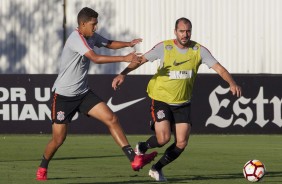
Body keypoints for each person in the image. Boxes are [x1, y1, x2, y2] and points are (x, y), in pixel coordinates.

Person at [112, 17, 242, 182]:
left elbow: (219, 68)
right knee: (164, 139)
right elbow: (140, 60)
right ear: (175, 32)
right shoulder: (164, 47)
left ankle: (156, 168)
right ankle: (143, 146)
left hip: (183, 103)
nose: (185, 34)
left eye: (188, 31)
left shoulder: (198, 50)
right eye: (182, 31)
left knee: (181, 143)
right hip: (161, 99)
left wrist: (232, 82)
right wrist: (123, 74)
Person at [36, 7, 157, 181]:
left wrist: (128, 44)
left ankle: (134, 159)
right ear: (82, 24)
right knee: (58, 139)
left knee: (112, 119)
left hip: (83, 93)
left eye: (96, 23)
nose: (96, 27)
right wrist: (124, 58)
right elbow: (95, 58)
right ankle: (43, 166)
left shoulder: (91, 36)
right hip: (63, 97)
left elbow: (108, 43)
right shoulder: (75, 39)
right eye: (93, 24)